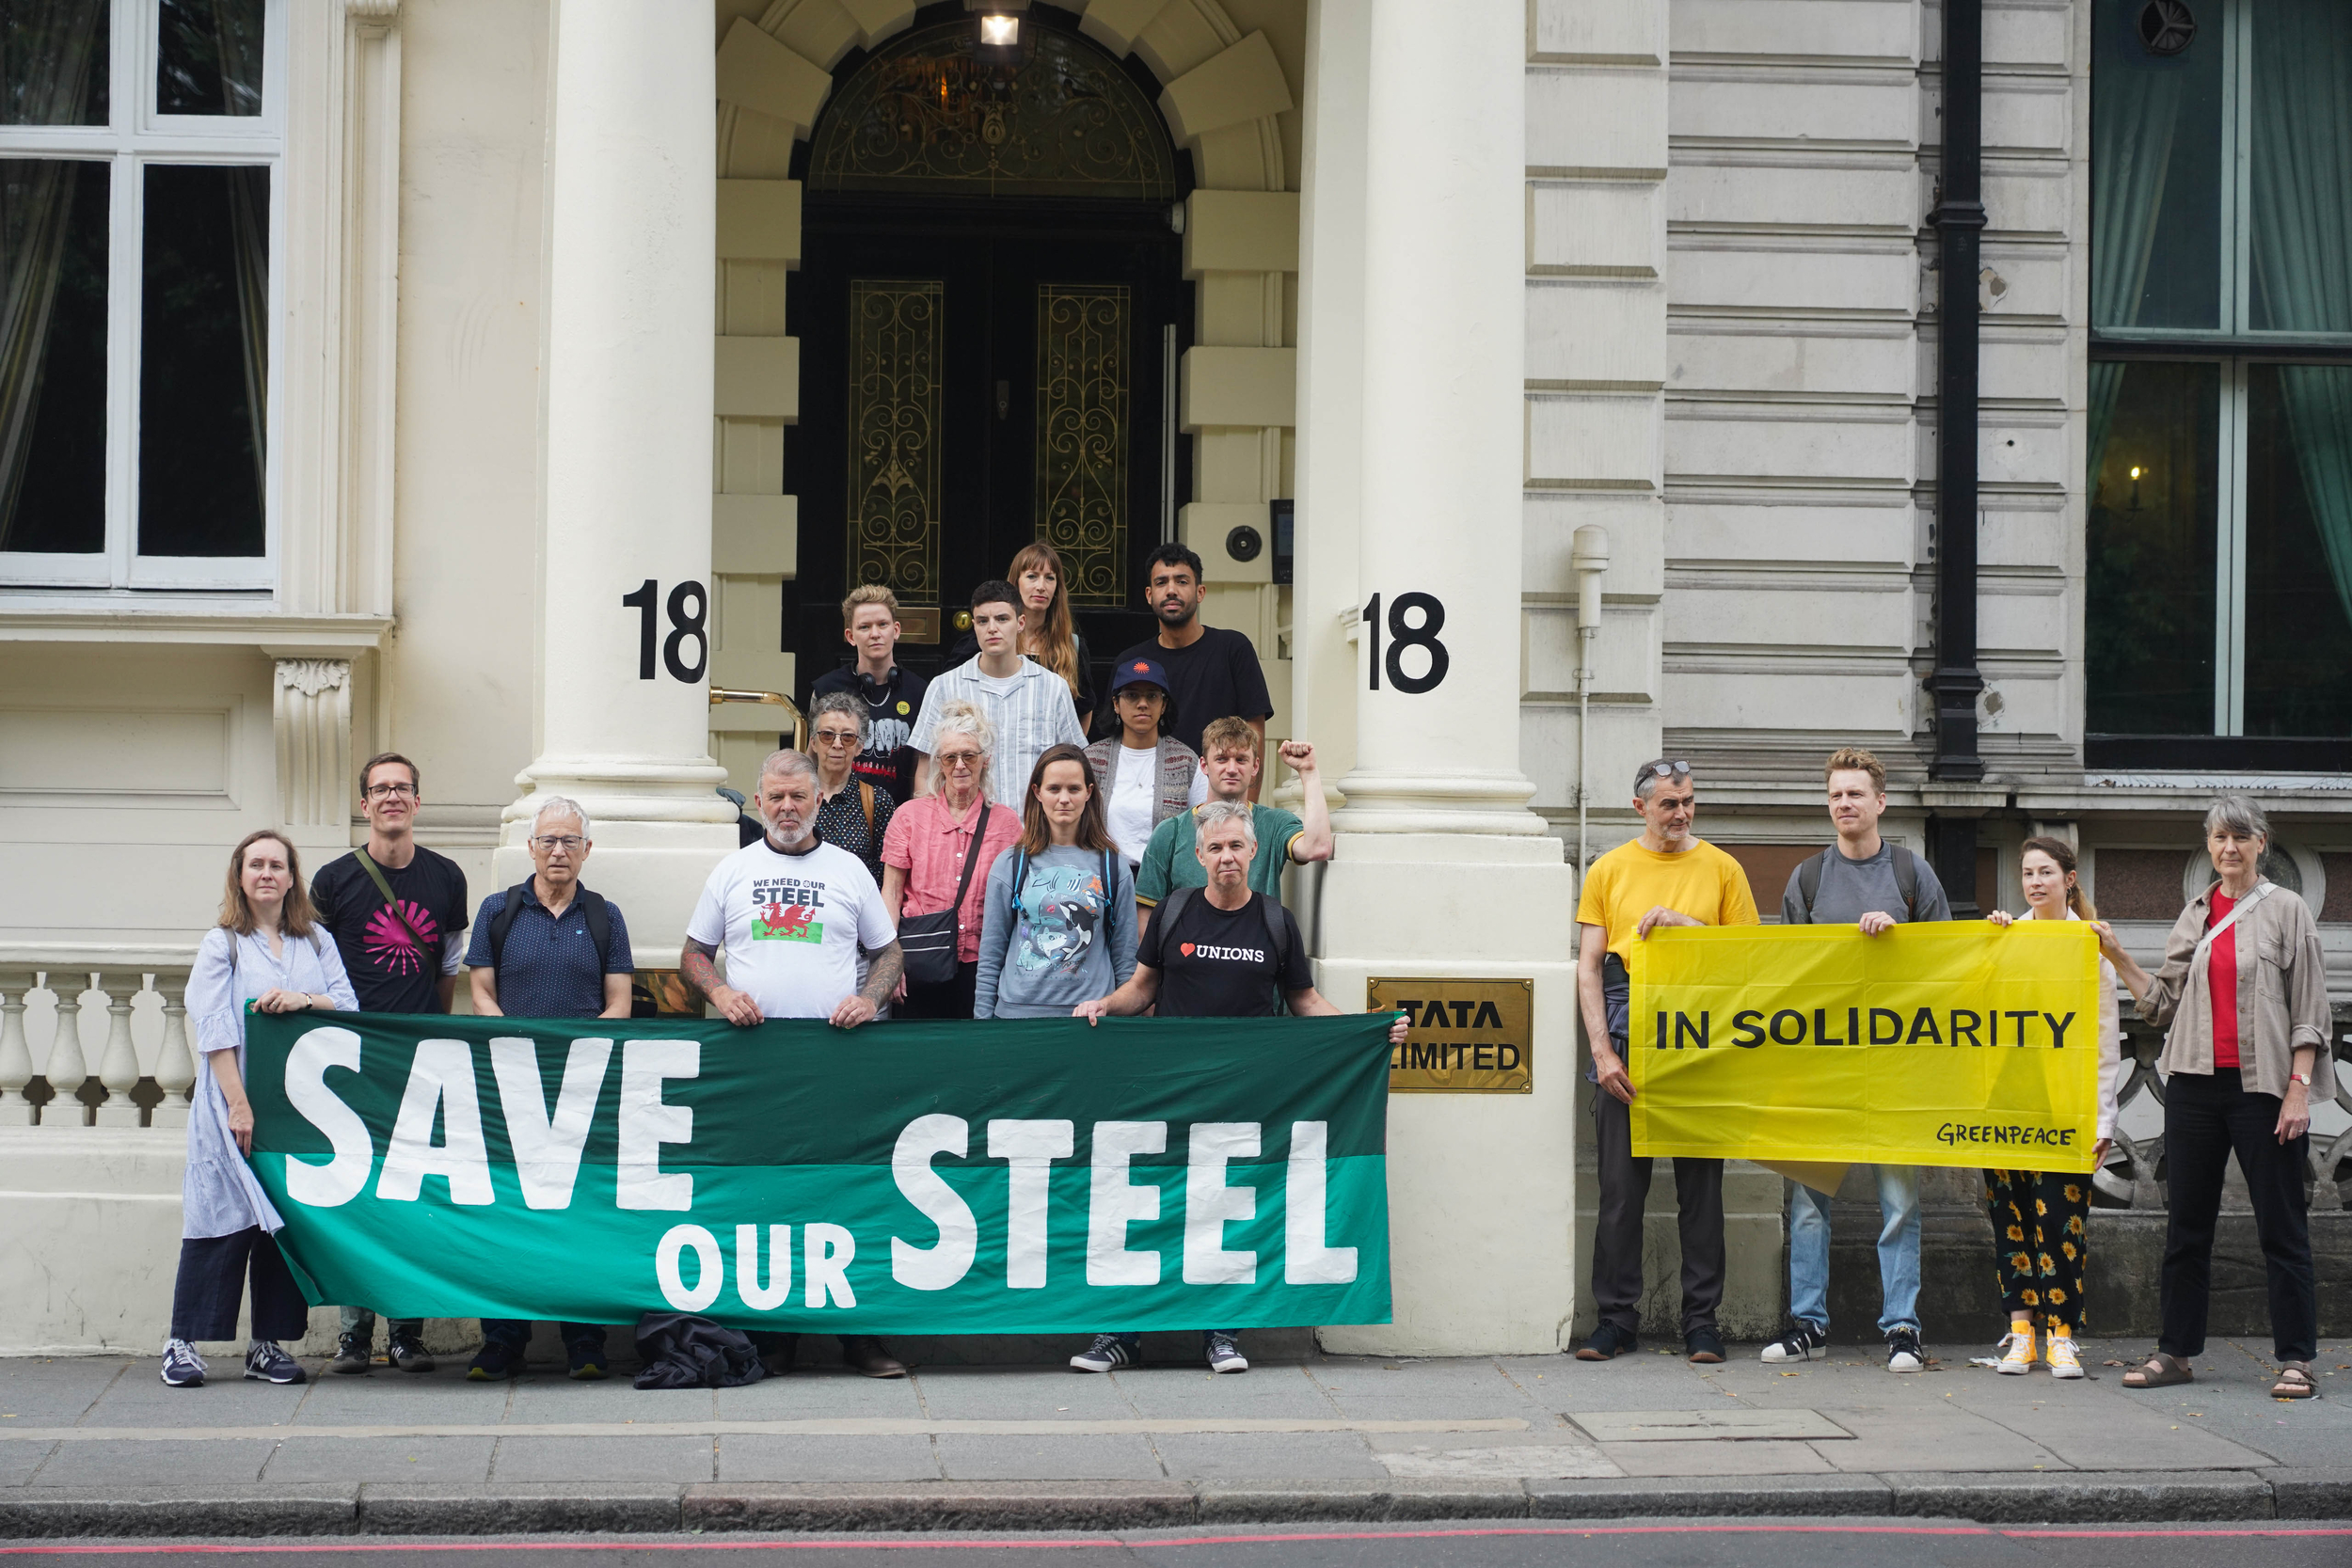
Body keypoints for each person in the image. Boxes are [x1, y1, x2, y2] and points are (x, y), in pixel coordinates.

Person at [1069, 800, 1411, 1374]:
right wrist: (1105, 1005)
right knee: (1149, 1210)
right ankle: (1120, 1334)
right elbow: (1143, 988)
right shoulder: (1175, 912)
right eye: (1215, 848)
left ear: (1254, 852)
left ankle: (1222, 1334)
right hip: (1170, 1091)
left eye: (1236, 847)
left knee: (1226, 1214)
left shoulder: (1276, 921)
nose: (1226, 857)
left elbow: (1303, 1001)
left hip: (1245, 1097)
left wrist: (1365, 1030)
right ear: (1198, 856)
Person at [682, 748, 909, 1379]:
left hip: (837, 1062)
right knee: (770, 1199)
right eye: (775, 797)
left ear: (817, 802)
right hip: (759, 1064)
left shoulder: (850, 870)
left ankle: (860, 1337)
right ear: (759, 803)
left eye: (797, 797)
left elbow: (888, 952)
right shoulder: (732, 871)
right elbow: (695, 953)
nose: (786, 807)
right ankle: (775, 1334)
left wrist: (869, 999)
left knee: (850, 1196)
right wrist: (721, 992)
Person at [2094, 796, 2331, 1400]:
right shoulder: (2195, 915)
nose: (2229, 848)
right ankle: (2175, 1352)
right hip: (2195, 1085)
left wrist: (2298, 1090)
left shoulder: (2288, 911)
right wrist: (2117, 955)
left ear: (2261, 844)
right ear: (2209, 847)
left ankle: (2297, 1359)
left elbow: (2311, 1011)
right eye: (2219, 839)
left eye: (2240, 838)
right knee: (2186, 1226)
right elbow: (2162, 1004)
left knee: (2282, 1227)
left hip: (2264, 1088)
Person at [1761, 747, 1950, 1376]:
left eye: (1856, 793)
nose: (1845, 803)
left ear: (1880, 803)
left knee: (1899, 1200)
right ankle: (1807, 1323)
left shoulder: (1911, 874)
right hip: (1821, 1067)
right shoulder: (1807, 879)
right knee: (1809, 1202)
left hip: (1893, 1066)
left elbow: (1949, 964)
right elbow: (1787, 974)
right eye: (1836, 794)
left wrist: (1899, 946)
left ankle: (1903, 1327)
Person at [1575, 759, 1759, 1366]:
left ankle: (1702, 1323)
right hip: (1626, 1028)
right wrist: (1601, 1053)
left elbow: (1749, 960)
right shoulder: (1608, 869)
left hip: (1699, 1034)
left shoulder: (1723, 868)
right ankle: (1616, 1321)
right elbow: (1589, 969)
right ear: (1640, 808)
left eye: (1688, 802)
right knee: (1620, 1191)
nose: (1681, 814)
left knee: (1701, 1192)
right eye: (1668, 804)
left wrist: (1689, 927)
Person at [162, 831, 358, 1388]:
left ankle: (266, 1345)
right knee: (218, 1220)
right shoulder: (221, 944)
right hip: (232, 1104)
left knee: (279, 1225)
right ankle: (182, 1342)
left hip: (295, 1108)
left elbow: (347, 1005)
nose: (267, 873)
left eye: (277, 864)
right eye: (256, 865)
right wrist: (238, 1106)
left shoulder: (315, 941)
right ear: (240, 877)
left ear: (292, 877)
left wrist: (303, 999)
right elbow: (214, 1027)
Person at [462, 796, 634, 1383]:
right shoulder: (497, 909)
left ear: (587, 850)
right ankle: (501, 1342)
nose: (558, 851)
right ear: (531, 847)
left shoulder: (606, 916)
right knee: (504, 1211)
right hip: (511, 1086)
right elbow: (481, 994)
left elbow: (619, 1005)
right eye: (548, 841)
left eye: (569, 842)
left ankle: (584, 1343)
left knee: (578, 1215)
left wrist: (583, 1060)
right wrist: (512, 1043)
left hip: (583, 1092)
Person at [311, 752, 468, 1376]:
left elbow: (450, 965)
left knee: (413, 1192)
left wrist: (432, 1027)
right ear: (365, 803)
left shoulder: (447, 877)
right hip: (351, 1061)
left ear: (417, 801)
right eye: (381, 788)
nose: (392, 797)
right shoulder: (332, 880)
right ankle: (354, 1333)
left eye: (403, 787)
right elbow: (315, 962)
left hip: (420, 1060)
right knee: (355, 1192)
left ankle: (407, 1331)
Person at [1979, 836, 2125, 1380]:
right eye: (2026, 873)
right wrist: (1988, 945)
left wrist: (2103, 1117)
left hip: (2065, 1105)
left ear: (2068, 878)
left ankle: (2061, 1334)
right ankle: (2022, 1336)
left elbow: (2105, 1042)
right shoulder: (2006, 938)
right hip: (2007, 1101)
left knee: (2062, 1223)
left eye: (2045, 872)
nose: (2035, 882)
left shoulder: (2090, 948)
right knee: (2011, 1221)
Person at [974, 744, 1137, 1021]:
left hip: (1090, 1021)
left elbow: (1125, 956)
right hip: (1016, 1018)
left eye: (1073, 789)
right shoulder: (1010, 863)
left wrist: (1123, 1021)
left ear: (1089, 792)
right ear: (1037, 792)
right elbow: (991, 954)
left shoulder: (1113, 866)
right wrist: (982, 1023)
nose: (1064, 798)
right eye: (1054, 789)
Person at [880, 701, 1019, 1021]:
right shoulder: (909, 817)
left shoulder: (1006, 823)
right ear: (939, 763)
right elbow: (891, 893)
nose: (959, 765)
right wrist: (890, 962)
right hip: (918, 960)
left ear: (986, 760)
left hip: (984, 967)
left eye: (969, 755)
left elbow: (1016, 901)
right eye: (949, 757)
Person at [1135, 719, 1329, 934]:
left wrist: (1309, 772)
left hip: (1254, 957)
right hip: (1187, 959)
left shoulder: (1274, 824)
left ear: (1255, 766)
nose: (1231, 768)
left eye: (1241, 759)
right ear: (1203, 765)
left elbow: (1317, 848)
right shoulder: (1170, 832)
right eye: (1221, 759)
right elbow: (1146, 917)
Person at [909, 579, 1086, 808]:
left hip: (1034, 832)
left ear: (1020, 622)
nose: (992, 628)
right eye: (983, 621)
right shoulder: (944, 687)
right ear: (974, 626)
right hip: (963, 833)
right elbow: (925, 771)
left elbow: (1075, 764)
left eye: (1002, 619)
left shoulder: (1053, 688)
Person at [1112, 544, 1273, 783]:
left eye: (1182, 581)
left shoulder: (1233, 649)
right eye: (1161, 582)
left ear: (1200, 592)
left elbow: (1254, 736)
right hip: (1149, 795)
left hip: (1220, 794)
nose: (1171, 590)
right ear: (1149, 595)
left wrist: (1247, 808)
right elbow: (1116, 737)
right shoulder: (1130, 662)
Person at [941, 543, 1097, 734]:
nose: (1041, 586)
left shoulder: (1070, 646)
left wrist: (1068, 755)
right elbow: (948, 700)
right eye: (1032, 576)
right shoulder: (985, 641)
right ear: (1016, 582)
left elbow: (1084, 709)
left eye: (1049, 578)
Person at [1085, 657, 1206, 876]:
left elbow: (1205, 825)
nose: (1143, 703)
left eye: (1152, 695)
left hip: (1166, 881)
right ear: (1116, 704)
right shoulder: (1092, 760)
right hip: (1100, 879)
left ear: (1164, 705)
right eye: (1132, 695)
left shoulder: (1185, 760)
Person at [810, 584, 928, 803]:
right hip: (838, 813)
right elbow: (810, 759)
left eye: (882, 624)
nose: (875, 634)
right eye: (864, 627)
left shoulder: (921, 692)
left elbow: (925, 767)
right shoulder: (826, 689)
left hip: (899, 816)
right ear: (850, 636)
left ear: (896, 630)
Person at [809, 691, 897, 885]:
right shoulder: (797, 797)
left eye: (848, 737)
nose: (837, 744)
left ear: (860, 747)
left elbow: (887, 879)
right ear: (813, 743)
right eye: (827, 735)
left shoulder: (877, 801)